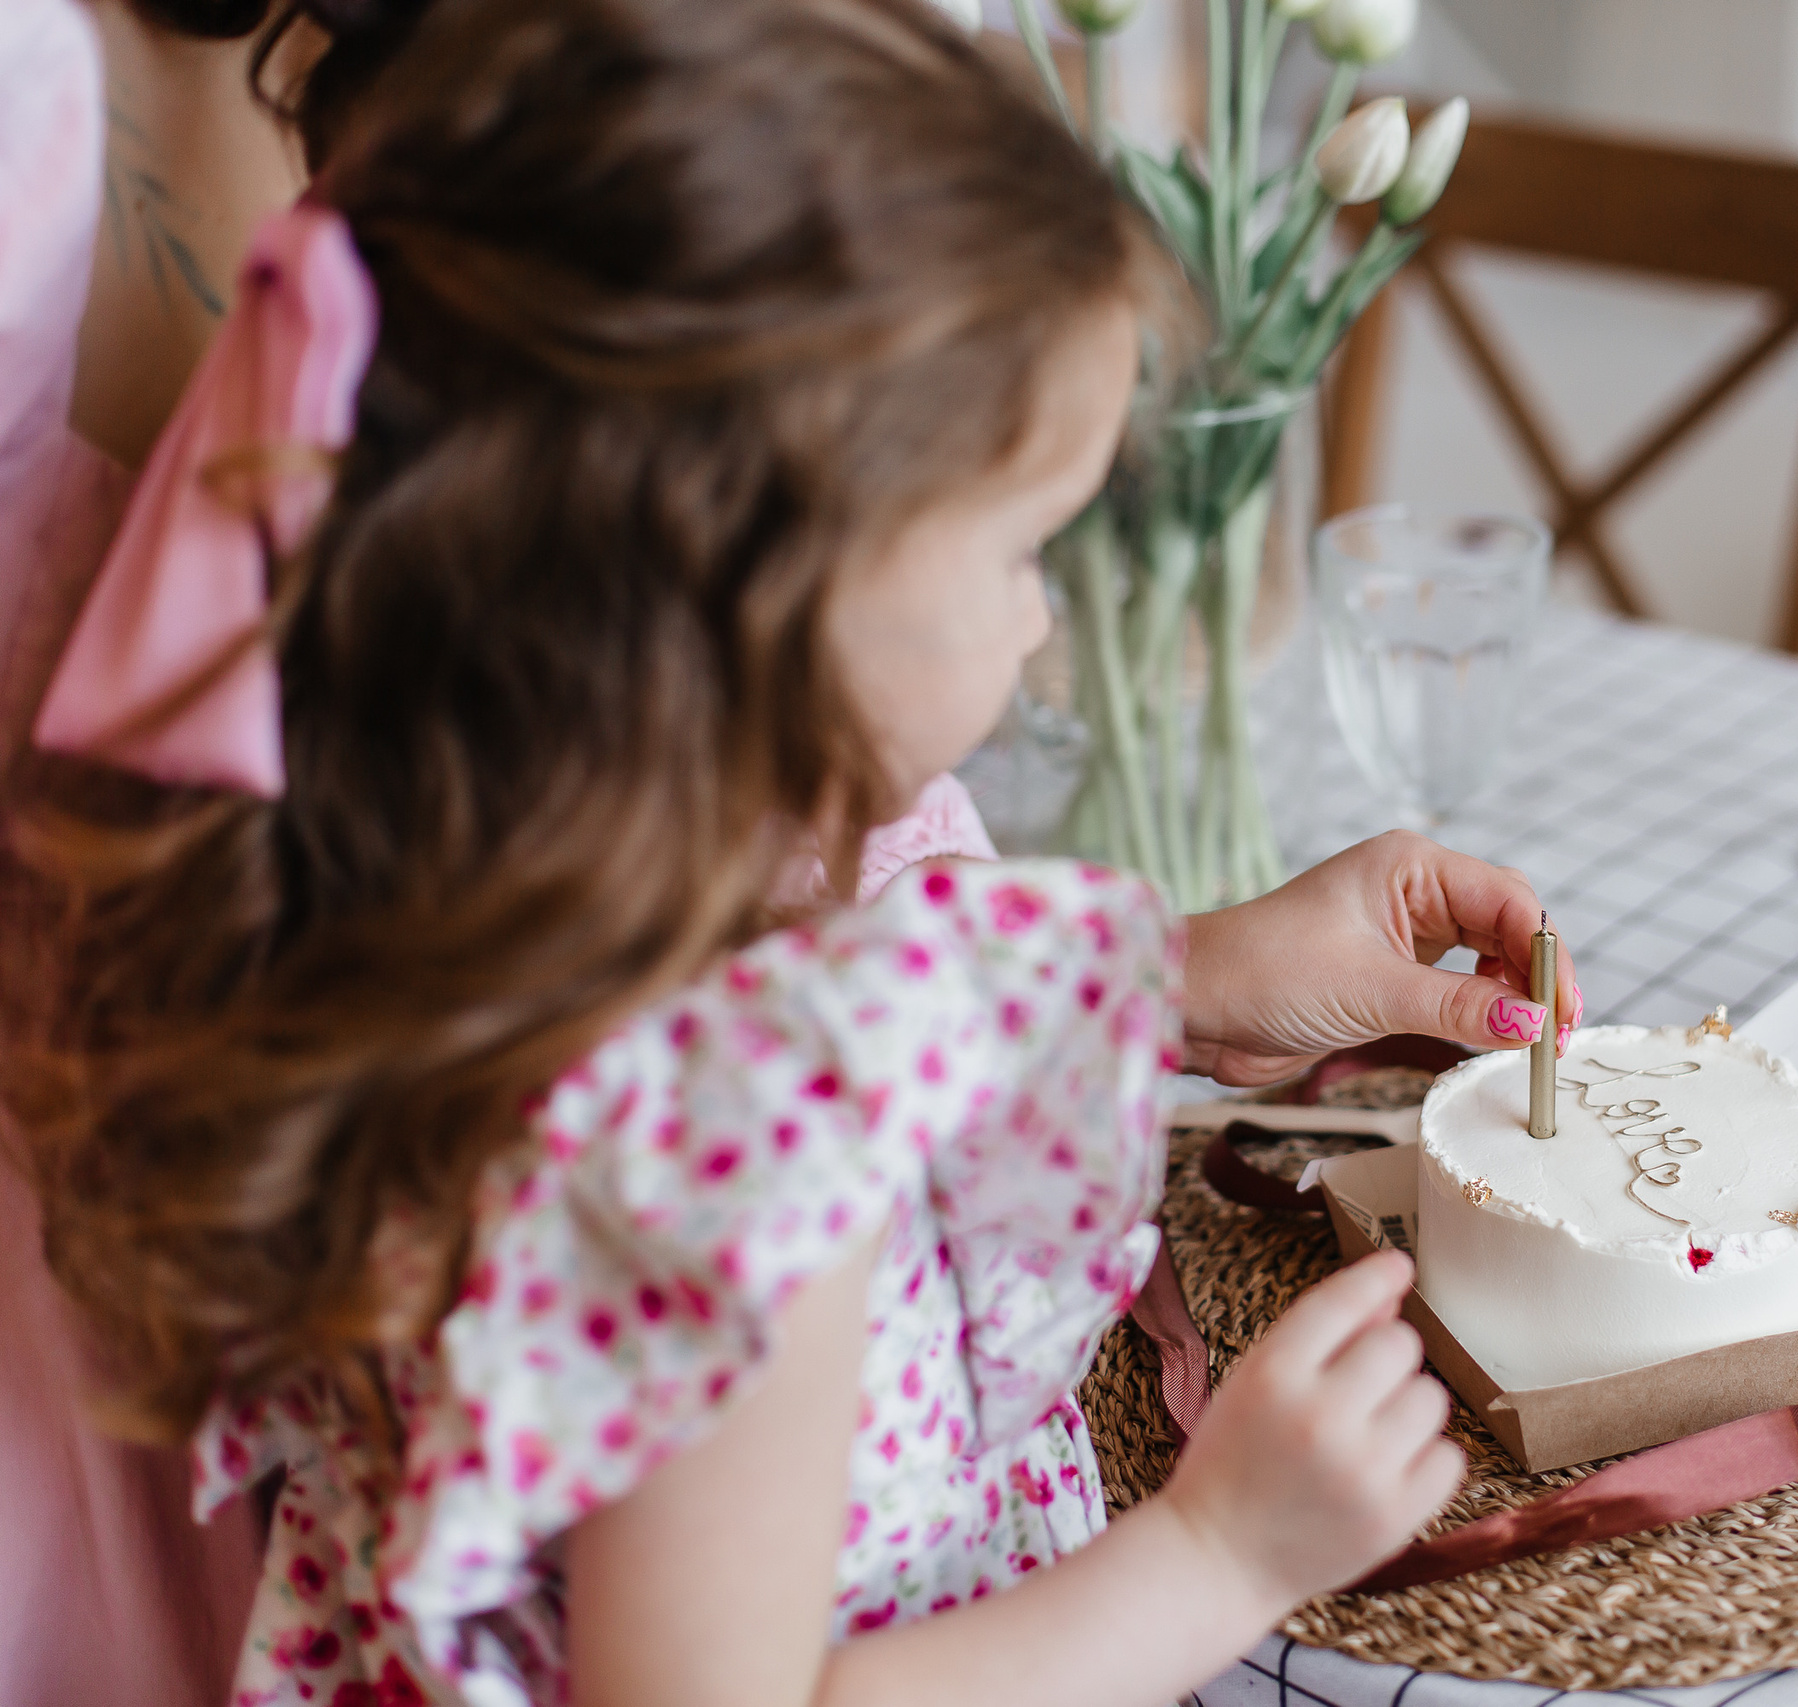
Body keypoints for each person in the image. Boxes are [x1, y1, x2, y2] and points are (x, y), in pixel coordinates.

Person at [4, 2, 1584, 1704]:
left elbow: (877, 970)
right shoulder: (736, 1135)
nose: (1043, 620)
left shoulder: (429, 879)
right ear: (770, 603)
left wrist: (1182, 972)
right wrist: (1220, 1552)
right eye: (1016, 551)